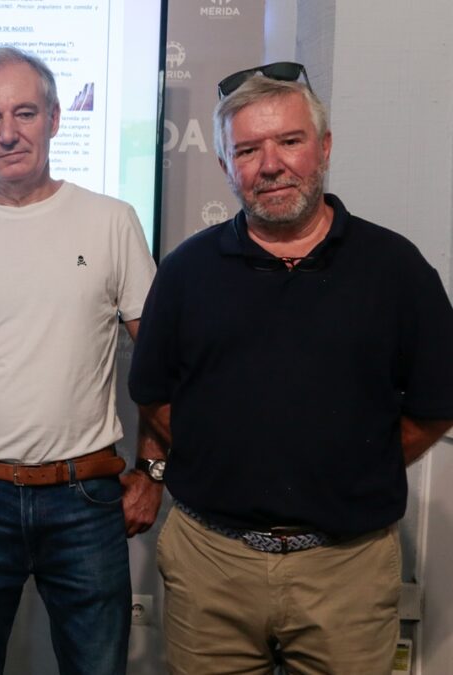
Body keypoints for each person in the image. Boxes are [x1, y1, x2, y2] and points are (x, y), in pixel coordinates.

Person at [128, 62, 453, 674]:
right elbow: (153, 393)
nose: (270, 164)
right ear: (226, 166)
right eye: (247, 149)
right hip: (211, 567)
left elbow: (437, 405)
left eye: (290, 141)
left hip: (347, 570)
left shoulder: (396, 270)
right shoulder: (185, 272)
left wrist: (356, 462)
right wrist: (223, 456)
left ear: (324, 148)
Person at [0, 46, 161, 675]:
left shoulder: (112, 223)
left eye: (24, 113)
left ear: (55, 118)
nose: (8, 133)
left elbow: (161, 361)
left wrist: (152, 471)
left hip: (87, 502)